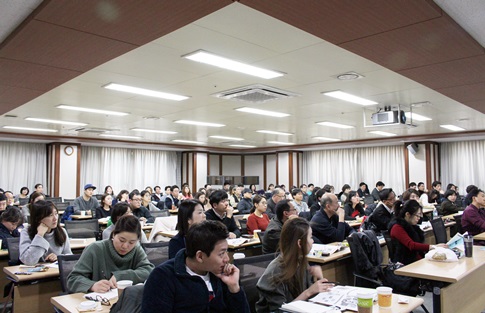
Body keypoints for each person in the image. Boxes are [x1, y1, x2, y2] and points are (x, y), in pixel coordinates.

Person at [142, 220, 250, 313]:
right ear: (200, 256)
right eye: (221, 254)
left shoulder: (223, 273)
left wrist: (234, 288)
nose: (227, 259)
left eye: (226, 251)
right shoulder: (163, 277)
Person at [256, 218, 332, 312]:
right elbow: (280, 311)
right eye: (311, 237)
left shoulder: (300, 261)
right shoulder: (274, 273)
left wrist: (319, 279)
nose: (312, 241)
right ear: (300, 243)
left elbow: (311, 296)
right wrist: (308, 292)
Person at [68, 215, 154, 293]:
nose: (125, 246)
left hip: (126, 302)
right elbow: (73, 279)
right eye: (121, 240)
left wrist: (122, 276)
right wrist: (92, 285)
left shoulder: (136, 249)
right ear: (113, 234)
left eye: (131, 242)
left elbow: (149, 271)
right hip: (98, 303)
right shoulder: (95, 249)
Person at [389, 200, 447, 265]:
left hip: (416, 260)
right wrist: (432, 247)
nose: (419, 218)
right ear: (407, 214)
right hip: (405, 263)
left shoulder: (411, 226)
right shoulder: (397, 227)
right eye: (417, 215)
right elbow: (411, 245)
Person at [19, 200, 72, 265]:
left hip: (56, 272)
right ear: (38, 218)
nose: (55, 218)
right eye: (50, 215)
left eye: (56, 214)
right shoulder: (26, 232)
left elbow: (69, 256)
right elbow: (28, 260)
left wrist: (58, 257)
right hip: (34, 274)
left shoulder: (62, 231)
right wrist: (40, 235)